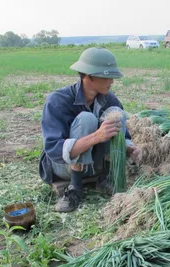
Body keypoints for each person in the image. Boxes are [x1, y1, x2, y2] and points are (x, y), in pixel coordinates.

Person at [39, 47, 139, 212]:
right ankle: (75, 188)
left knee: (117, 114)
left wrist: (131, 149)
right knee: (87, 118)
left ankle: (105, 179)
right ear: (88, 76)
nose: (112, 81)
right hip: (63, 167)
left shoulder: (110, 100)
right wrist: (96, 137)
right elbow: (53, 149)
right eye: (107, 76)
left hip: (95, 164)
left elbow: (124, 135)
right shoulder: (57, 101)